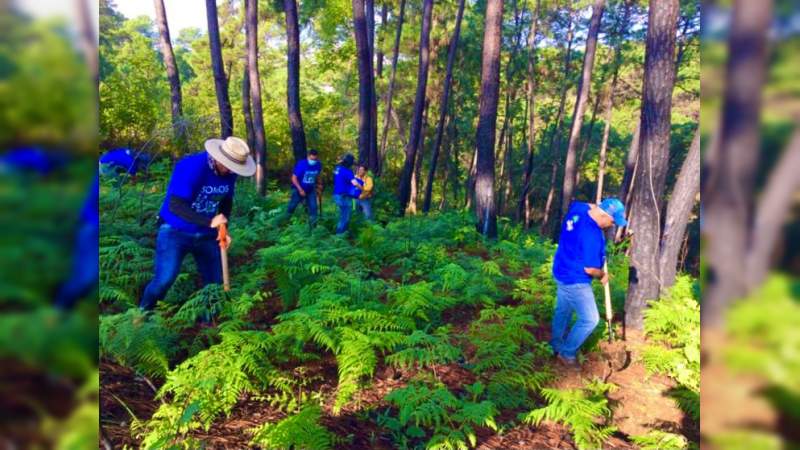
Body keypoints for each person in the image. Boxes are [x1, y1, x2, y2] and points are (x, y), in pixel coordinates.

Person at [138, 136, 255, 311]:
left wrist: (224, 229)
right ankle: (141, 315)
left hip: (207, 234)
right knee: (164, 279)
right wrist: (209, 222)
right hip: (175, 231)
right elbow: (176, 206)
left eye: (235, 168)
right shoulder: (192, 167)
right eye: (230, 167)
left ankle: (210, 325)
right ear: (218, 158)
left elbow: (225, 201)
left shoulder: (230, 173)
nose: (232, 171)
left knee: (214, 283)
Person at [550, 198, 627, 367]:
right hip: (576, 279)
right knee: (590, 319)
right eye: (612, 221)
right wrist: (603, 275)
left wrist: (598, 206)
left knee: (563, 310)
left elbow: (586, 204)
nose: (612, 225)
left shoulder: (578, 210)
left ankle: (555, 345)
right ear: (604, 215)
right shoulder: (593, 235)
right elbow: (590, 269)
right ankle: (567, 352)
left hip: (561, 269)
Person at [54, 175, 99, 310]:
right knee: (84, 279)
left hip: (93, 229)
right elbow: (88, 206)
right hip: (91, 230)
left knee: (87, 280)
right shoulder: (107, 167)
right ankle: (58, 310)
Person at [285, 149, 322, 227]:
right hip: (298, 189)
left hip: (311, 189)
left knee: (313, 207)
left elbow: (318, 175)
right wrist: (300, 190)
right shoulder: (302, 164)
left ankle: (313, 228)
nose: (314, 161)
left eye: (315, 159)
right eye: (312, 159)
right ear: (308, 156)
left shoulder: (318, 164)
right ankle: (285, 222)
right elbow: (294, 178)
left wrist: (319, 184)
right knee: (292, 206)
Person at [331, 153, 361, 235]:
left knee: (342, 215)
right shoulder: (348, 171)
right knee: (345, 217)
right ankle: (339, 237)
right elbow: (354, 183)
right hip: (343, 196)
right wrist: (362, 187)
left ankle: (343, 234)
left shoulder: (337, 168)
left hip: (336, 194)